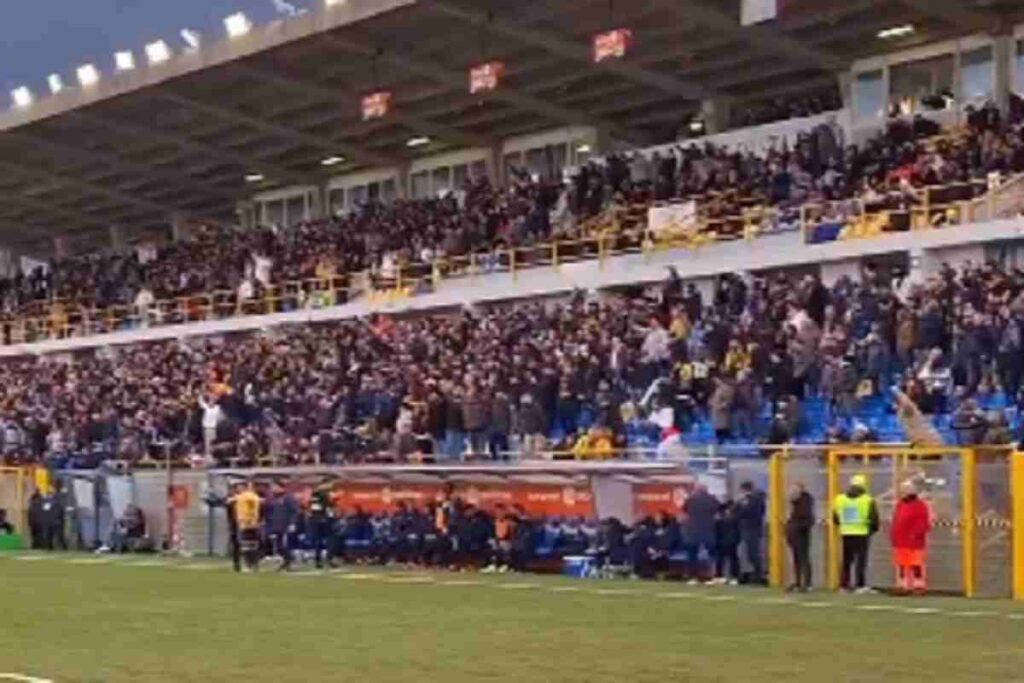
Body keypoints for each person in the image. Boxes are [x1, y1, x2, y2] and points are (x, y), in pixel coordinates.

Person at [832, 473, 880, 593]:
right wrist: (872, 530)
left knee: (846, 560)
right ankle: (860, 585)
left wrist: (844, 526)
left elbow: (835, 518)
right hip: (862, 532)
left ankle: (844, 585)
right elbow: (874, 519)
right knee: (861, 560)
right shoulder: (867, 500)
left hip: (846, 532)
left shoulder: (840, 499)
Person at [890, 481, 931, 595]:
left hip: (914, 541)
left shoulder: (920, 505)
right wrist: (894, 535)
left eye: (905, 489)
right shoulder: (900, 504)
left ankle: (918, 586)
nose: (903, 492)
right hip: (900, 540)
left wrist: (916, 534)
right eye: (902, 489)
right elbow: (896, 520)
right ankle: (902, 586)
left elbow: (924, 522)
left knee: (916, 564)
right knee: (902, 565)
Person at [682, 484, 718, 583]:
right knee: (712, 554)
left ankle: (692, 577)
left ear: (697, 490)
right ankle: (712, 575)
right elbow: (717, 510)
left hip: (693, 531)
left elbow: (684, 510)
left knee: (692, 554)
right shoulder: (712, 499)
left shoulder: (691, 499)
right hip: (708, 530)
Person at [785, 482, 815, 592]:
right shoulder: (796, 504)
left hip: (801, 535)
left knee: (803, 558)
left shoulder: (804, 503)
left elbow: (808, 520)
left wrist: (795, 527)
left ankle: (807, 583)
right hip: (795, 535)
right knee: (796, 559)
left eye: (793, 490)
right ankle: (798, 582)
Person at [735, 481, 766, 584]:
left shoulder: (754, 500)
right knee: (750, 553)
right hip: (750, 528)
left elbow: (745, 513)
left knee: (753, 553)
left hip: (752, 528)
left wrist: (741, 504)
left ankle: (758, 575)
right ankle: (755, 574)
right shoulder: (755, 499)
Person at [232, 482, 263, 572]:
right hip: (247, 523)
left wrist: (250, 521)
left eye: (239, 487)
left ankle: (251, 565)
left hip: (248, 524)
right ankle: (252, 565)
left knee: (248, 545)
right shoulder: (245, 496)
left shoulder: (248, 497)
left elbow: (253, 510)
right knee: (250, 545)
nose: (238, 489)